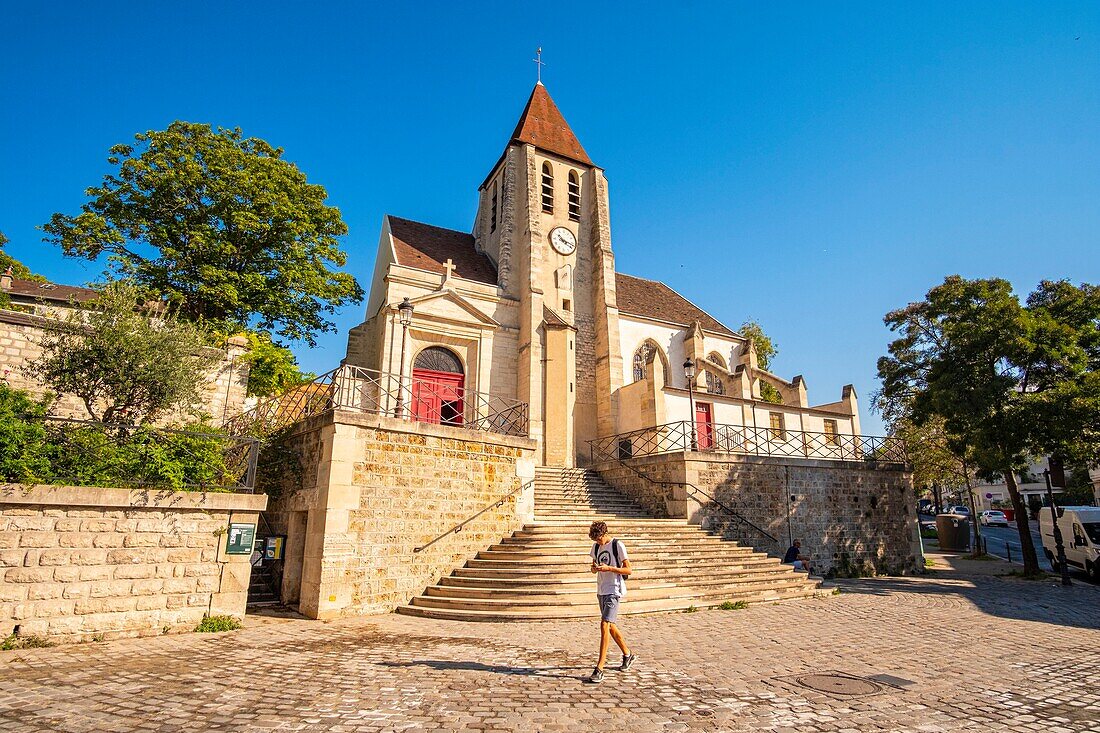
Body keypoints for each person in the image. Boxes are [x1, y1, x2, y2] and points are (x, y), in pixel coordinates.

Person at [585, 521, 637, 684]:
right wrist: (595, 569)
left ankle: (600, 667)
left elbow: (628, 569)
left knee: (604, 625)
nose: (598, 543)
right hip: (601, 590)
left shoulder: (617, 545)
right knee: (611, 626)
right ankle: (628, 654)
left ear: (604, 534)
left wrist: (610, 569)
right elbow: (593, 566)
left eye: (599, 539)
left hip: (614, 590)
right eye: (595, 540)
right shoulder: (595, 547)